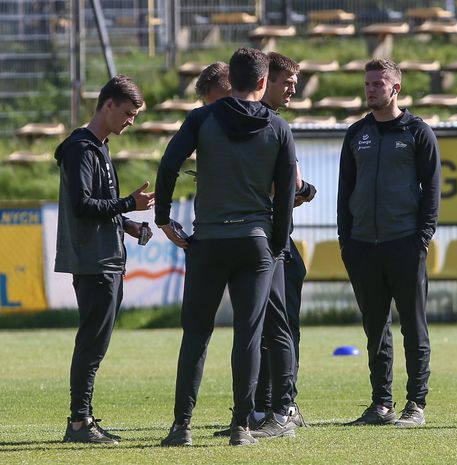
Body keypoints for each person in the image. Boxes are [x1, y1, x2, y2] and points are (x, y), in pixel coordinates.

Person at [156, 47, 297, 447]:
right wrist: (278, 244)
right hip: (254, 243)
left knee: (196, 334)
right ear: (263, 82)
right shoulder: (279, 128)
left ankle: (181, 426)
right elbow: (285, 195)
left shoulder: (202, 118)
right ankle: (241, 428)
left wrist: (163, 217)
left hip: (209, 240)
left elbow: (168, 165)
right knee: (248, 336)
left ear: (229, 80)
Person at [213, 51, 316, 438]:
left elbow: (292, 187)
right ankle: (256, 411)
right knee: (258, 329)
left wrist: (296, 189)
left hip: (277, 245)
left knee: (279, 328)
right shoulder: (260, 125)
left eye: (294, 83)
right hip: (262, 241)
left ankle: (283, 408)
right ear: (264, 81)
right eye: (285, 82)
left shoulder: (275, 126)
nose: (292, 89)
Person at [337, 58, 441, 427]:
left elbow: (431, 190)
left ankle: (416, 405)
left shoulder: (417, 132)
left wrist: (422, 238)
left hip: (405, 243)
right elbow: (345, 191)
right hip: (363, 246)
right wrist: (345, 241)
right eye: (367, 83)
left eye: (377, 84)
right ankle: (381, 404)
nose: (370, 89)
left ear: (395, 88)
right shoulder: (355, 134)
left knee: (413, 326)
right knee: (375, 328)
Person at [55, 75, 154, 444]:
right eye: (128, 113)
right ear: (108, 104)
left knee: (95, 343)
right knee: (92, 344)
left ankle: (82, 419)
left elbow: (97, 207)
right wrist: (129, 203)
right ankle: (79, 423)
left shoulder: (98, 146)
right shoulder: (82, 148)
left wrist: (127, 224)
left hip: (106, 257)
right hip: (95, 261)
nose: (131, 121)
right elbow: (82, 206)